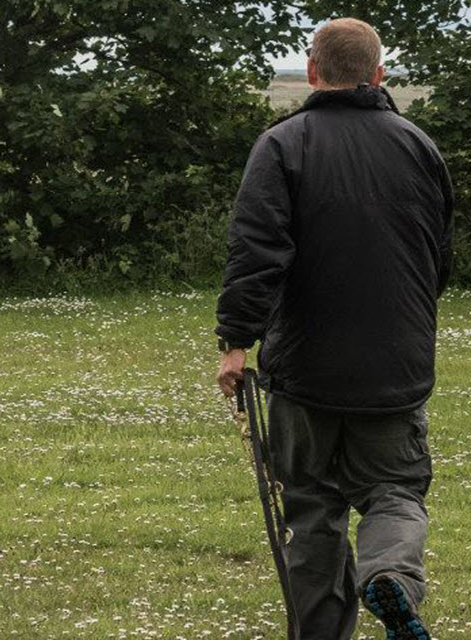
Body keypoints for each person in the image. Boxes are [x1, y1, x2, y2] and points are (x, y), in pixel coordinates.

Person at [215, 18, 452, 640]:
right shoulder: (419, 146)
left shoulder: (281, 145)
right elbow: (438, 260)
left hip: (307, 374)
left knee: (313, 511)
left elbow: (256, 253)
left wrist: (236, 343)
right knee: (396, 491)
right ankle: (392, 576)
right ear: (378, 75)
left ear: (313, 73)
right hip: (395, 373)